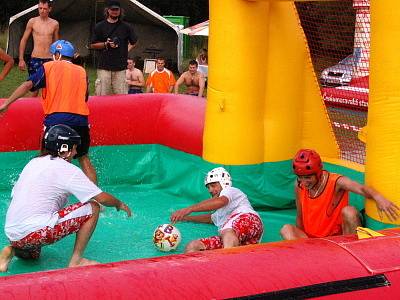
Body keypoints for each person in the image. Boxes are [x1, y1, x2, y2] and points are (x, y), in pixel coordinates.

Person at [0, 125, 132, 272]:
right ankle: (76, 260)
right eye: (74, 148)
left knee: (33, 253)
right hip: (34, 233)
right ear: (64, 148)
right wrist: (118, 203)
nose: (75, 153)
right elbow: (100, 197)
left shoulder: (33, 163)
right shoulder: (66, 169)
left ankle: (11, 250)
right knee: (93, 207)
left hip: (13, 234)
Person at [0, 40, 97, 184]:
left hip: (56, 118)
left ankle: (39, 189)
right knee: (83, 157)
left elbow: (28, 85)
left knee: (45, 156)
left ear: (57, 54)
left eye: (53, 54)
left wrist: (7, 104)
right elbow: (85, 97)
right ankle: (96, 199)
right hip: (81, 119)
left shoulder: (49, 67)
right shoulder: (82, 71)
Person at [280, 149, 400, 240]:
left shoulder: (336, 182)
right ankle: (306, 261)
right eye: (300, 177)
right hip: (311, 241)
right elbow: (300, 216)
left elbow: (361, 188)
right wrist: (299, 245)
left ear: (318, 172)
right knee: (286, 229)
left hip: (336, 240)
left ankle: (353, 255)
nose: (304, 182)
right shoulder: (299, 185)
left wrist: (378, 197)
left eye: (308, 177)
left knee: (350, 212)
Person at [170, 167, 263, 253]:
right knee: (193, 246)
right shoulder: (220, 213)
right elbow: (210, 218)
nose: (210, 190)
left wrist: (189, 209)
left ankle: (226, 265)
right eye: (208, 187)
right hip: (236, 241)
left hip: (250, 220)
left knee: (227, 232)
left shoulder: (230, 191)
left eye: (213, 185)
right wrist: (185, 218)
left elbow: (221, 201)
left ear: (224, 183)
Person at [90, 0, 138, 95]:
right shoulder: (99, 26)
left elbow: (134, 41)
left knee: (121, 97)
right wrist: (105, 44)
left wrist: (126, 50)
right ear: (107, 10)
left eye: (117, 9)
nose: (115, 11)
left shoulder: (126, 27)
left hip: (120, 67)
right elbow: (92, 44)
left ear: (120, 11)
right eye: (112, 9)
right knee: (102, 96)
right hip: (104, 66)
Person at [18, 0, 59, 96]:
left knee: (49, 87)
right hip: (35, 58)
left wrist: (57, 58)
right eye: (40, 8)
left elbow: (57, 43)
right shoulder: (32, 21)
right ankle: (31, 109)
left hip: (49, 59)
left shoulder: (55, 24)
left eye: (45, 9)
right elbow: (24, 40)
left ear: (50, 9)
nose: (42, 11)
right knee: (34, 88)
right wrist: (21, 59)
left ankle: (48, 110)